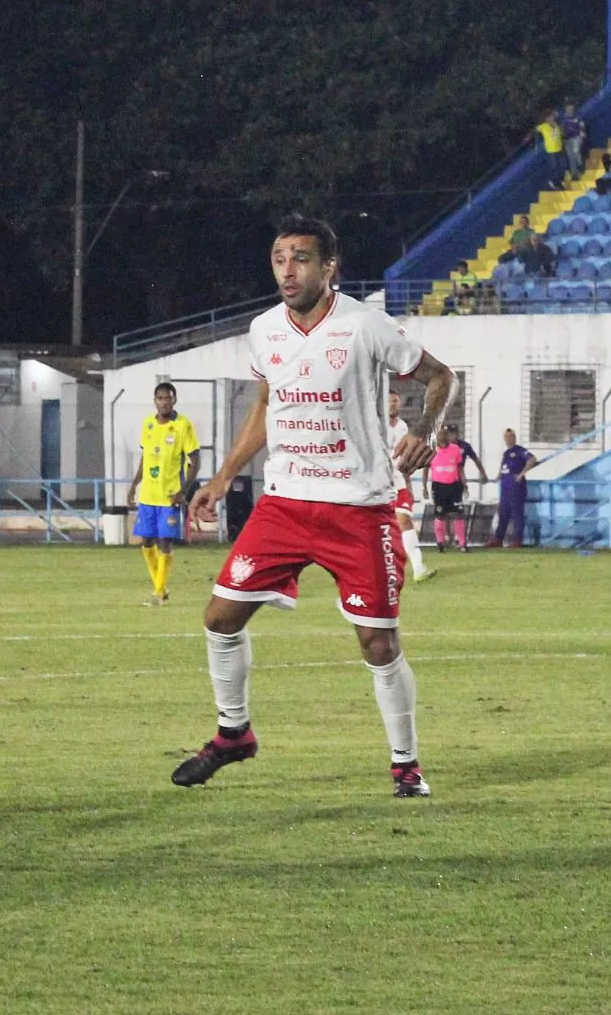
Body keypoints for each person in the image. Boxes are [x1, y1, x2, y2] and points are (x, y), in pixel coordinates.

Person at [175, 214, 458, 799]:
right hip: (285, 504)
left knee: (378, 643)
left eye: (301, 258)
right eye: (279, 258)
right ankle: (234, 734)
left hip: (358, 508)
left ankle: (405, 764)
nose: (287, 270)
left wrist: (427, 430)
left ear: (330, 267)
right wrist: (224, 476)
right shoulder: (264, 330)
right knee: (219, 618)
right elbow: (266, 405)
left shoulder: (365, 325)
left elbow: (440, 377)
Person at [127, 382, 199, 606]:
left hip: (169, 496)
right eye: (160, 398)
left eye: (168, 398)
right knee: (147, 542)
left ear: (174, 400)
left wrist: (182, 491)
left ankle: (158, 593)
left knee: (164, 542)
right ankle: (161, 586)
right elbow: (145, 457)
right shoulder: (148, 424)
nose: (164, 402)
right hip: (148, 495)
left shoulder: (182, 425)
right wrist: (133, 485)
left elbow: (195, 462)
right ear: (155, 400)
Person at [387, 391, 433, 583]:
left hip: (398, 482)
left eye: (396, 402)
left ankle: (418, 567)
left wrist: (408, 483)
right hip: (378, 483)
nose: (393, 405)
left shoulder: (403, 427)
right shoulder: (375, 425)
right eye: (390, 402)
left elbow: (405, 457)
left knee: (405, 520)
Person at [486, 428, 538, 548]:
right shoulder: (506, 453)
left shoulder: (519, 451)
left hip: (516, 488)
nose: (508, 439)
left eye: (511, 437)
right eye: (506, 437)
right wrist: (498, 476)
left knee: (517, 514)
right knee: (503, 513)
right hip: (505, 487)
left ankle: (517, 540)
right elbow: (504, 468)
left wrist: (521, 474)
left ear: (514, 438)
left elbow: (532, 459)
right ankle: (498, 538)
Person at [425, 425, 469, 552]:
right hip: (439, 486)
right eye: (441, 434)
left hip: (454, 485)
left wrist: (464, 484)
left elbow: (460, 468)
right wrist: (424, 487)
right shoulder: (431, 450)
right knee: (440, 515)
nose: (443, 436)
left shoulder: (455, 449)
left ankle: (462, 543)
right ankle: (440, 543)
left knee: (458, 514)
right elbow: (426, 469)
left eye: (445, 433)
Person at [528, 109, 564, 191]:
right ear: (546, 119)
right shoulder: (544, 126)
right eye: (549, 117)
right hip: (551, 151)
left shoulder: (557, 124)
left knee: (563, 166)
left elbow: (562, 133)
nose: (551, 118)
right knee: (555, 167)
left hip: (560, 149)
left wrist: (557, 125)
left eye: (552, 116)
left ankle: (557, 182)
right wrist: (532, 140)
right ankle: (556, 183)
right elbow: (534, 130)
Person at [559, 100, 587, 181]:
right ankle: (575, 174)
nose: (570, 110)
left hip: (577, 137)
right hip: (567, 139)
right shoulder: (563, 117)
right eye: (569, 108)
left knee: (576, 150)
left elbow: (582, 126)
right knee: (571, 157)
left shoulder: (578, 116)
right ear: (566, 109)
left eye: (572, 108)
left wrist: (583, 135)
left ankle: (581, 165)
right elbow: (560, 127)